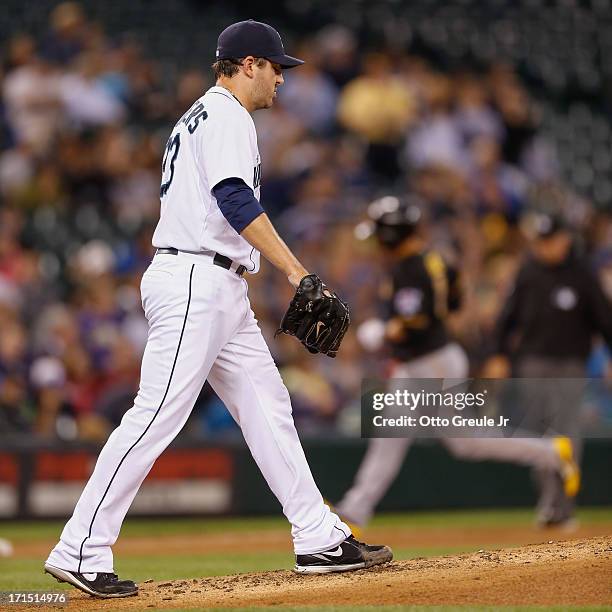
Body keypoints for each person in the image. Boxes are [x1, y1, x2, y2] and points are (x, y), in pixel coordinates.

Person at [44, 20, 392, 598]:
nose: (282, 77)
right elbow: (233, 198)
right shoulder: (228, 114)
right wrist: (296, 269)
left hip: (216, 283)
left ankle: (318, 536)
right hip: (193, 280)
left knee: (267, 402)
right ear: (248, 64)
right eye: (276, 66)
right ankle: (81, 545)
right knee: (156, 414)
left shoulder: (200, 115)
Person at [334, 197, 580, 532]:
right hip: (425, 362)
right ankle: (355, 510)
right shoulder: (433, 260)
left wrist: (382, 333)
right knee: (421, 438)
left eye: (380, 234)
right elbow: (454, 299)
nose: (377, 242)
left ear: (392, 235)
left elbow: (415, 321)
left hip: (432, 364)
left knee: (457, 440)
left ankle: (551, 451)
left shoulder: (411, 268)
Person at [485, 212, 612, 526]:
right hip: (532, 363)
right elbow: (508, 317)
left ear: (564, 239)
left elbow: (604, 318)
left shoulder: (581, 273)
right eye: (540, 242)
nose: (544, 247)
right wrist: (499, 353)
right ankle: (549, 502)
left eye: (549, 240)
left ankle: (562, 505)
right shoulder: (529, 272)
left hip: (570, 363)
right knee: (539, 433)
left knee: (564, 431)